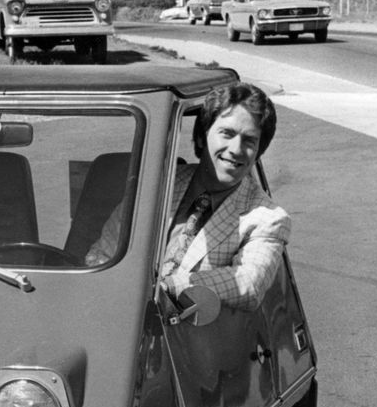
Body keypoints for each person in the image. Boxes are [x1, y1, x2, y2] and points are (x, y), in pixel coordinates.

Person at [86, 81, 290, 313]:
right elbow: (101, 254)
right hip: (111, 314)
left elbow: (248, 284)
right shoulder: (159, 182)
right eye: (227, 133)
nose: (236, 148)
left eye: (249, 140)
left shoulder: (269, 219)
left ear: (258, 152)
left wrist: (161, 290)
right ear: (203, 137)